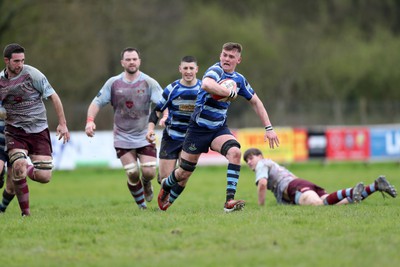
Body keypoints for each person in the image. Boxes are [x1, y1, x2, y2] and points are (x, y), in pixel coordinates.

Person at [157, 42, 280, 212]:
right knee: (183, 173)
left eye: (231, 57)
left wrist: (269, 128)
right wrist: (227, 92)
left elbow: (256, 102)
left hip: (218, 129)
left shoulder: (239, 80)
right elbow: (206, 84)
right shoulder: (215, 71)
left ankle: (229, 202)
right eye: (224, 55)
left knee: (235, 152)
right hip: (197, 129)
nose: (226, 59)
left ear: (239, 60)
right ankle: (166, 186)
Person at [85, 47, 163, 210]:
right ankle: (142, 206)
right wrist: (90, 121)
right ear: (122, 63)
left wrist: (166, 116)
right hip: (122, 137)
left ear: (139, 61)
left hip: (145, 135)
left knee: (149, 173)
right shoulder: (113, 83)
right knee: (132, 173)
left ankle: (147, 183)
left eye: (134, 59)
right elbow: (96, 102)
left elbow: (163, 103)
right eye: (128, 59)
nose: (131, 62)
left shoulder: (149, 82)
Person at [0, 43, 70, 216]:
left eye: (22, 60)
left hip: (38, 130)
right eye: (16, 61)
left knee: (44, 177)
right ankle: (26, 214)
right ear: (6, 61)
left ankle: (26, 167)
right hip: (14, 130)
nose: (20, 64)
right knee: (17, 166)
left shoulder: (33, 75)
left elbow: (54, 96)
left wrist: (62, 123)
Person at [243, 148, 398, 206]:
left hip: (294, 188)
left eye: (251, 158)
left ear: (260, 156)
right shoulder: (272, 163)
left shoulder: (262, 164)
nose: (249, 162)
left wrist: (260, 206)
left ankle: (351, 190)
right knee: (338, 203)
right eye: (247, 160)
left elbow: (262, 184)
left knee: (318, 204)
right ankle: (375, 186)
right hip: (301, 183)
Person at [146, 56, 201, 187]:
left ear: (196, 69)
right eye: (185, 68)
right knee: (165, 180)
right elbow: (157, 111)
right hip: (171, 137)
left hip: (191, 138)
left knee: (182, 176)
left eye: (191, 68)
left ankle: (166, 203)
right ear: (180, 69)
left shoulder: (204, 89)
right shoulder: (171, 89)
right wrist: (150, 130)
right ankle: (163, 179)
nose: (188, 71)